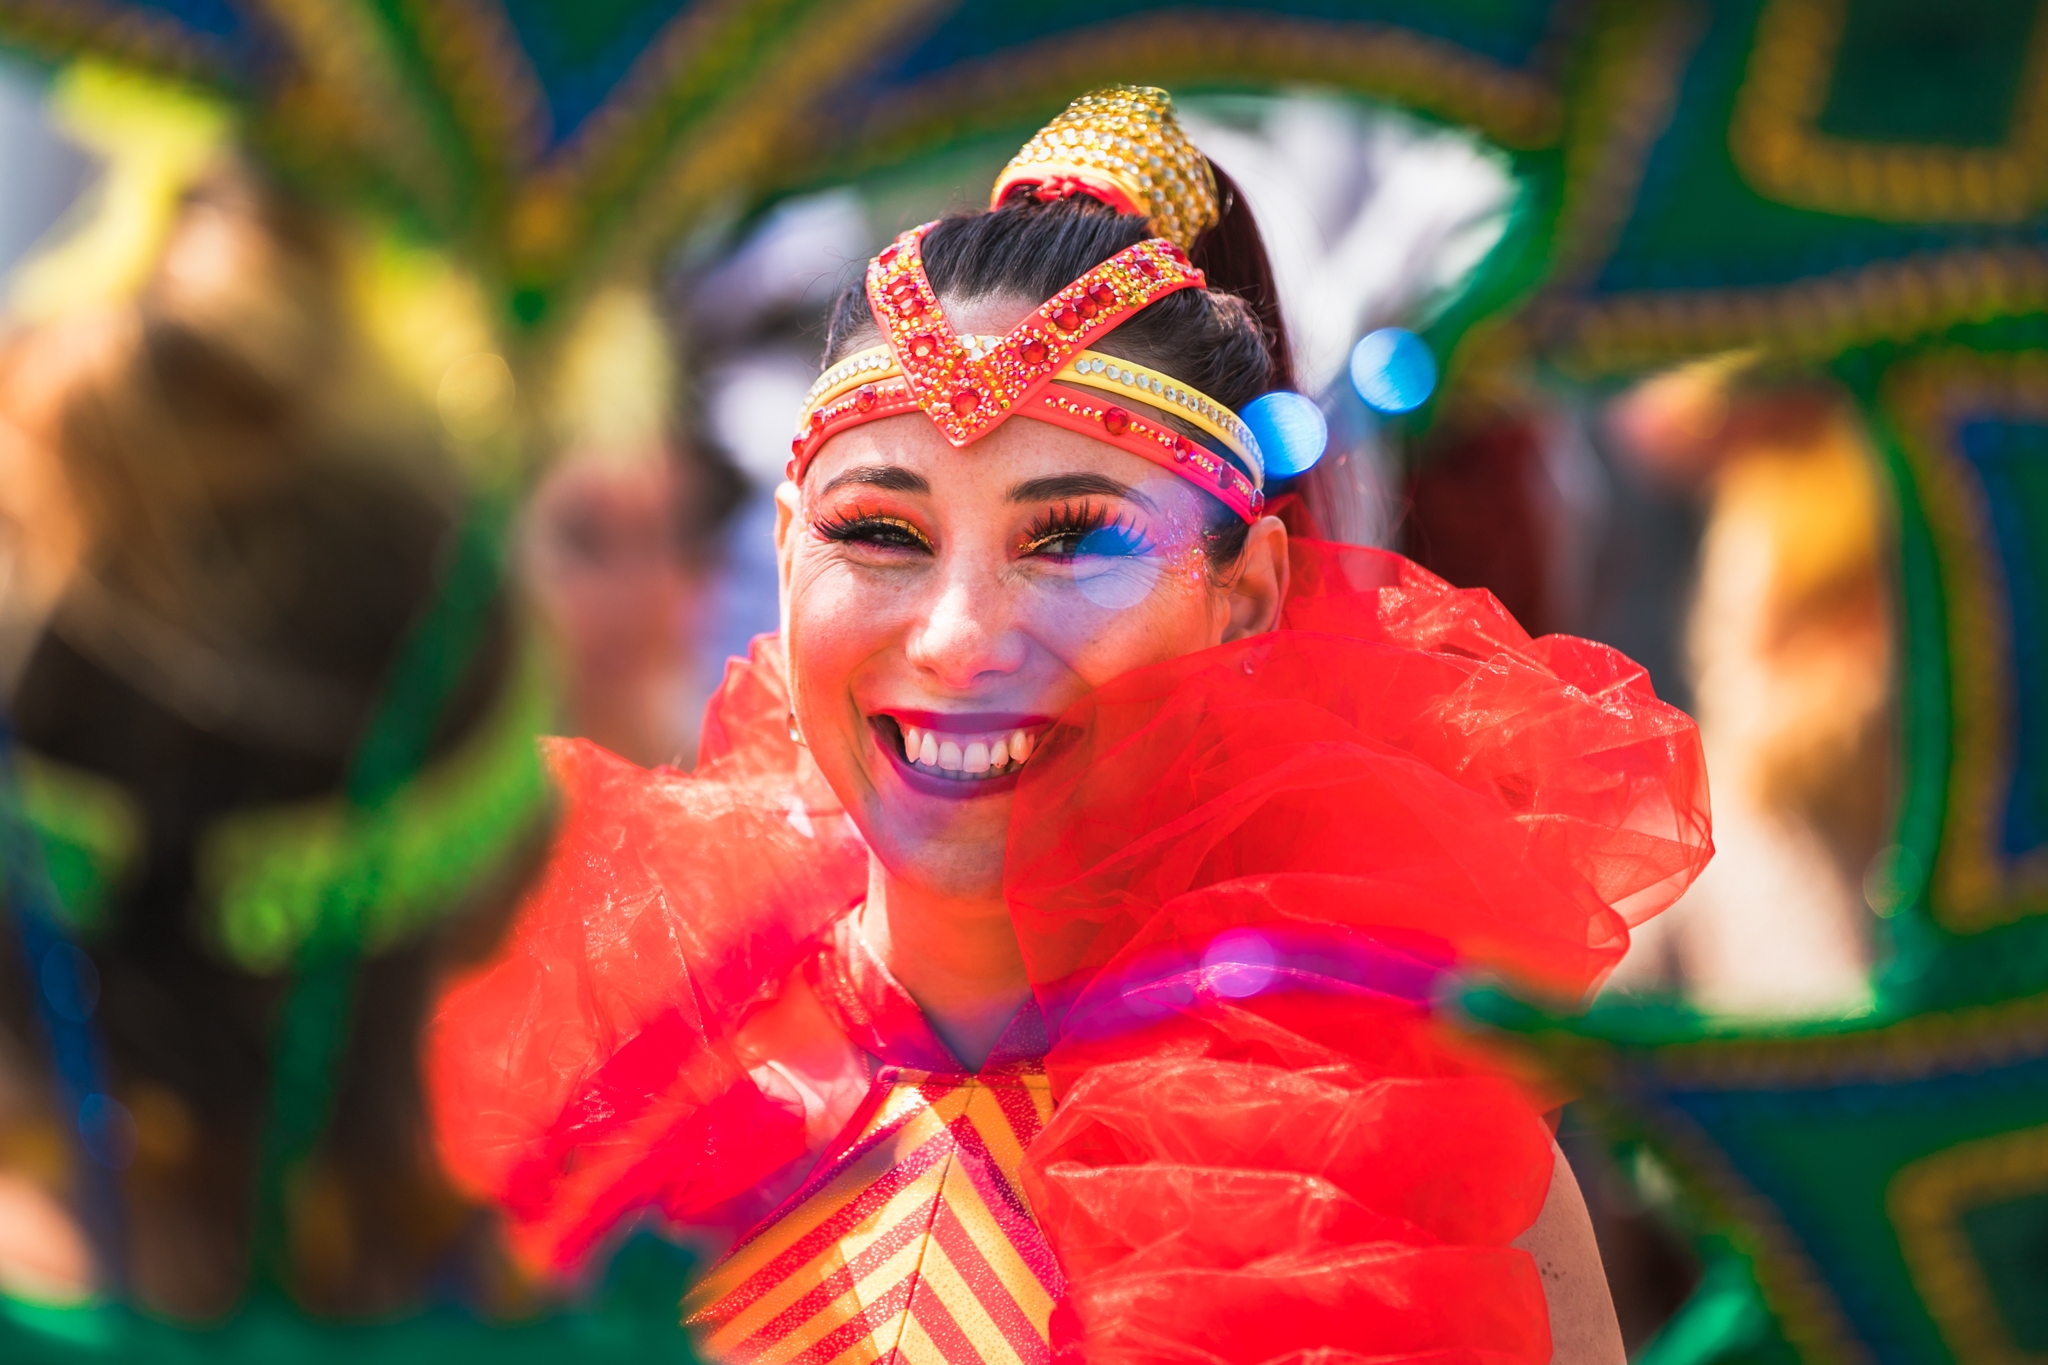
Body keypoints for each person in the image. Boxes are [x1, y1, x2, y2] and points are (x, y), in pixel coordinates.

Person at [431, 87, 1712, 1364]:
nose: (959, 640)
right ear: (779, 554)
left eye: (1072, 542)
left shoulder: (1381, 1153)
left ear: (1245, 597)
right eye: (880, 534)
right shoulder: (578, 1035)